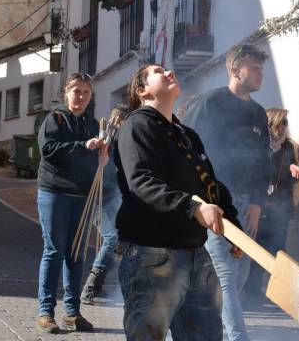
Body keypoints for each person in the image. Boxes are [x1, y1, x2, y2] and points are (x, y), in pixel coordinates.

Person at [115, 64, 242, 341]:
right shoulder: (138, 125)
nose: (169, 72)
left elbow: (210, 186)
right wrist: (193, 208)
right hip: (152, 255)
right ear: (142, 90)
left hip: (197, 255)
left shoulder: (187, 135)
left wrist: (233, 224)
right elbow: (142, 182)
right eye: (159, 71)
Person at [182, 44, 271, 341]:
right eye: (254, 69)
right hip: (216, 203)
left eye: (261, 69)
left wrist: (258, 202)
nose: (261, 74)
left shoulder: (259, 114)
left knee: (240, 278)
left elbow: (264, 162)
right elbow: (184, 152)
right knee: (227, 277)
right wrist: (201, 201)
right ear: (235, 70)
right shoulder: (209, 103)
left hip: (247, 207)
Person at [35, 72, 106, 333]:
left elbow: (92, 158)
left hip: (81, 195)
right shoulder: (54, 118)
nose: (82, 97)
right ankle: (46, 311)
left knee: (76, 253)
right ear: (67, 92)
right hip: (54, 192)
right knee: (54, 251)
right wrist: (82, 146)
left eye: (86, 92)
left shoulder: (92, 123)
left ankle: (73, 312)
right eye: (77, 91)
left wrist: (102, 158)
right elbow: (49, 151)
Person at [244, 108, 299, 307]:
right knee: (256, 249)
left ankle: (277, 294)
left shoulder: (290, 148)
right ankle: (252, 293)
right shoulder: (260, 145)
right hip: (259, 207)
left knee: (278, 251)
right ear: (272, 123)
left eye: (286, 123)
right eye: (283, 122)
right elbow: (255, 172)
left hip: (281, 209)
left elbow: (298, 182)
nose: (285, 127)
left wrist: (292, 169)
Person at [80, 104, 130, 305]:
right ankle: (90, 289)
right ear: (118, 121)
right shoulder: (105, 139)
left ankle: (118, 287)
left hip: (111, 198)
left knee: (121, 241)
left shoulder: (121, 141)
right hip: (96, 198)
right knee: (111, 238)